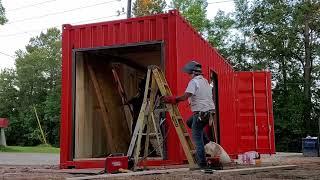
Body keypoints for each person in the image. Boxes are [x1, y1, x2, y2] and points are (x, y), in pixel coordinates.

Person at [162, 60, 215, 168]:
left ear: (193, 72)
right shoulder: (205, 81)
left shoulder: (194, 82)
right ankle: (207, 141)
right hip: (208, 114)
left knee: (197, 140)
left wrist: (173, 99)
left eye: (189, 73)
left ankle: (202, 164)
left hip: (200, 114)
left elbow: (185, 96)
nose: (188, 75)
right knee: (189, 122)